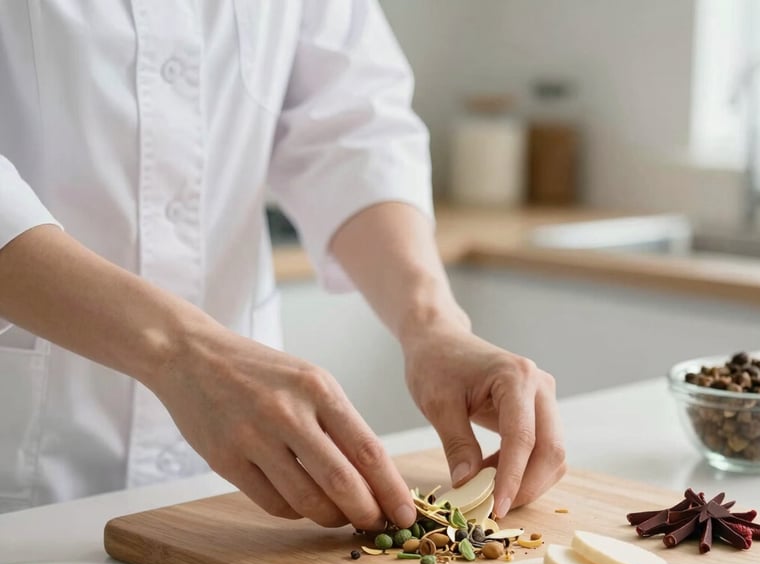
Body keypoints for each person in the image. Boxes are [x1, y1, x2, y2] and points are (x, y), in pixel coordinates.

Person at [0, 1, 566, 526]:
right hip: (25, 486)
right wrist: (182, 352)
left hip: (232, 508)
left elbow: (351, 127)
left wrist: (433, 324)